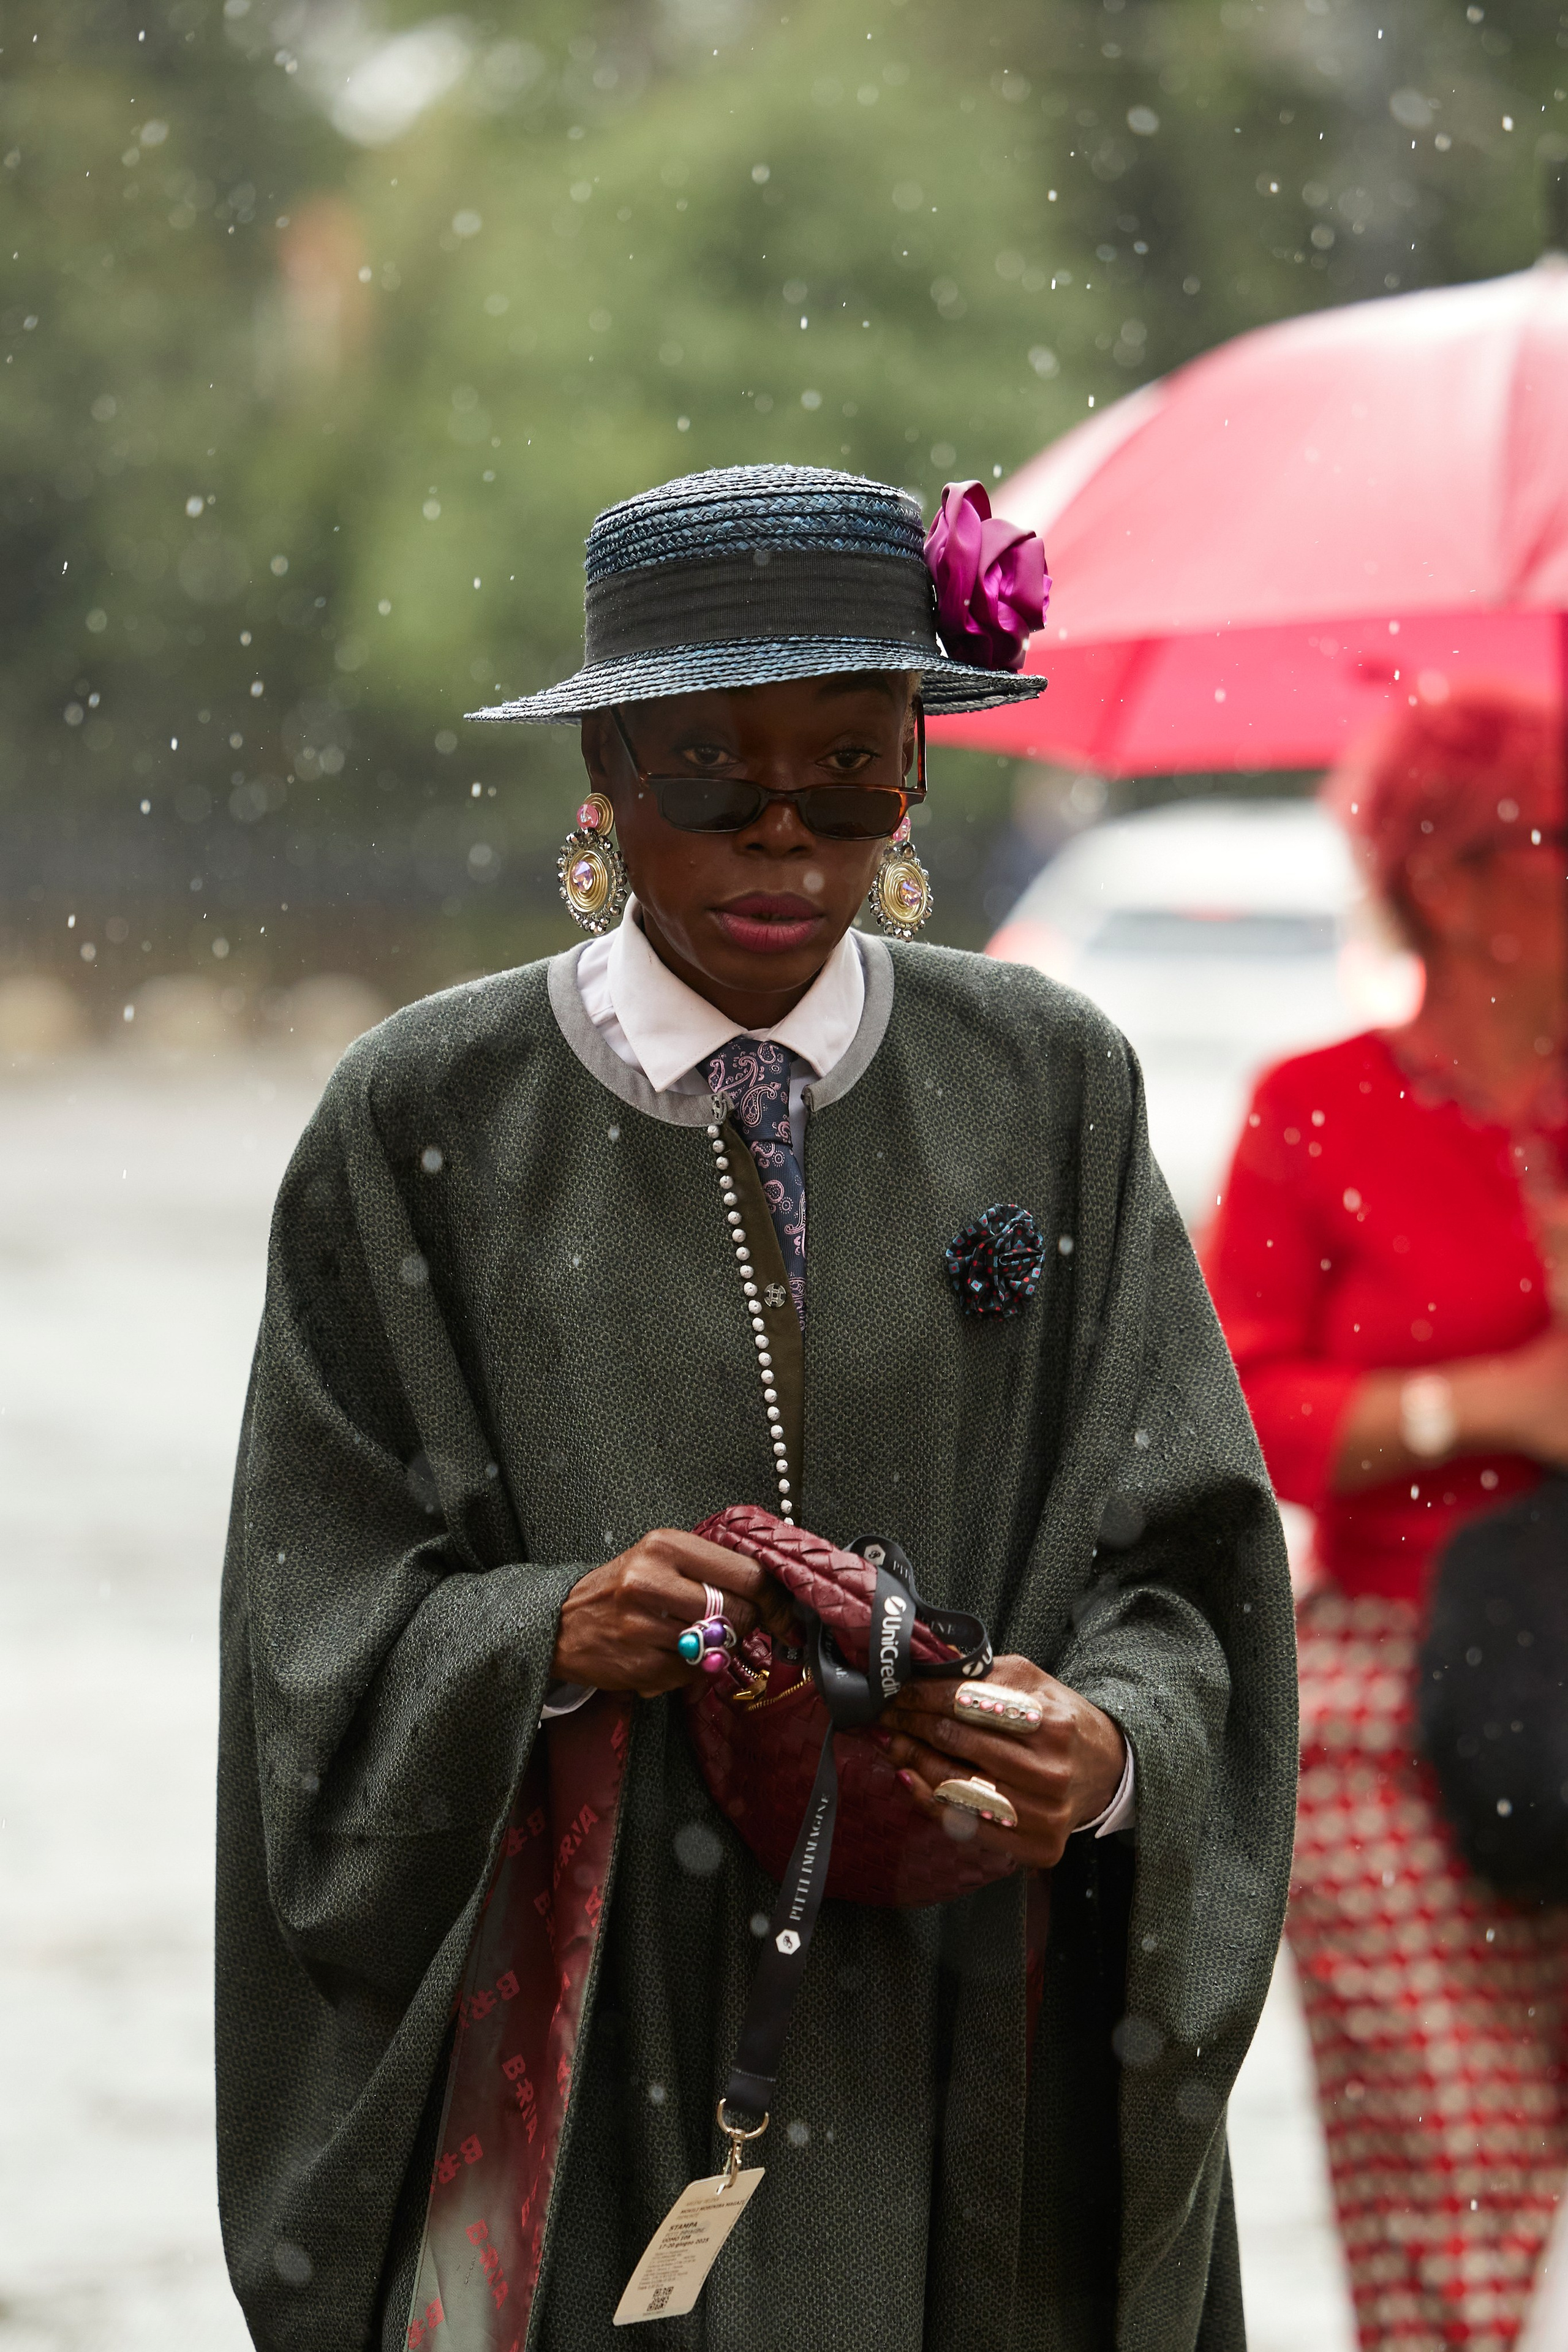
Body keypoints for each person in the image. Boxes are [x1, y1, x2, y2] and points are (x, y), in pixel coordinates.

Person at [216, 464, 1296, 2352]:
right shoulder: (423, 1121)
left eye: (850, 775)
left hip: (979, 2030)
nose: (783, 839)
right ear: (608, 783)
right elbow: (312, 1636)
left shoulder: (1052, 1086)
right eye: (711, 777)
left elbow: (1190, 1561)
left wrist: (1110, 1750)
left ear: (917, 783)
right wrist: (551, 1632)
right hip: (591, 2029)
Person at [1202, 684, 1568, 2352]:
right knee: (1452, 2211)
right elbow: (1231, 1411)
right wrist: (1493, 1403)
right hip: (1393, 1705)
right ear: (1456, 876)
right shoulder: (1323, 1108)